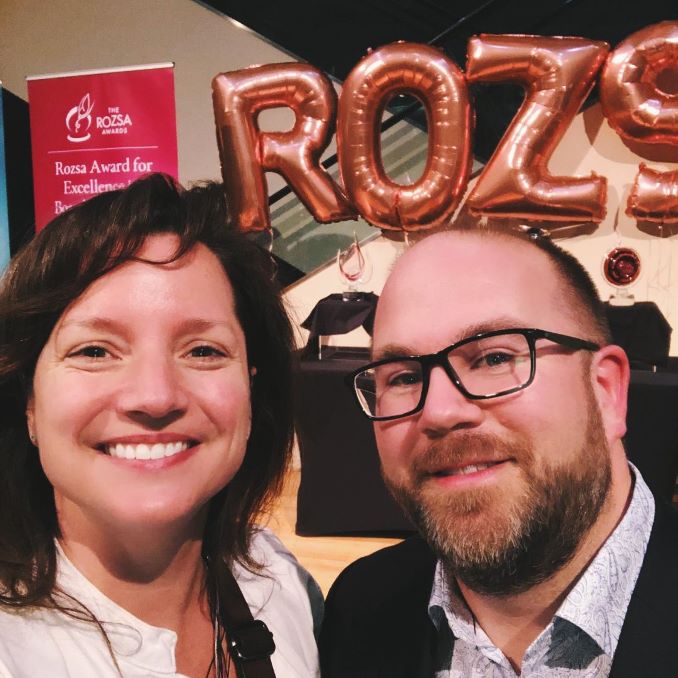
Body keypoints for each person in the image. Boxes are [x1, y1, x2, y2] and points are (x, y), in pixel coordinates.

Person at [0, 174, 322, 677]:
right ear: (28, 403)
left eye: (203, 350)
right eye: (94, 351)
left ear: (252, 389)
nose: (154, 396)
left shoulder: (282, 583)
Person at [319, 227, 678, 677]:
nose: (440, 412)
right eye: (404, 377)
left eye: (493, 358)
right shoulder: (360, 605)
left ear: (605, 390)